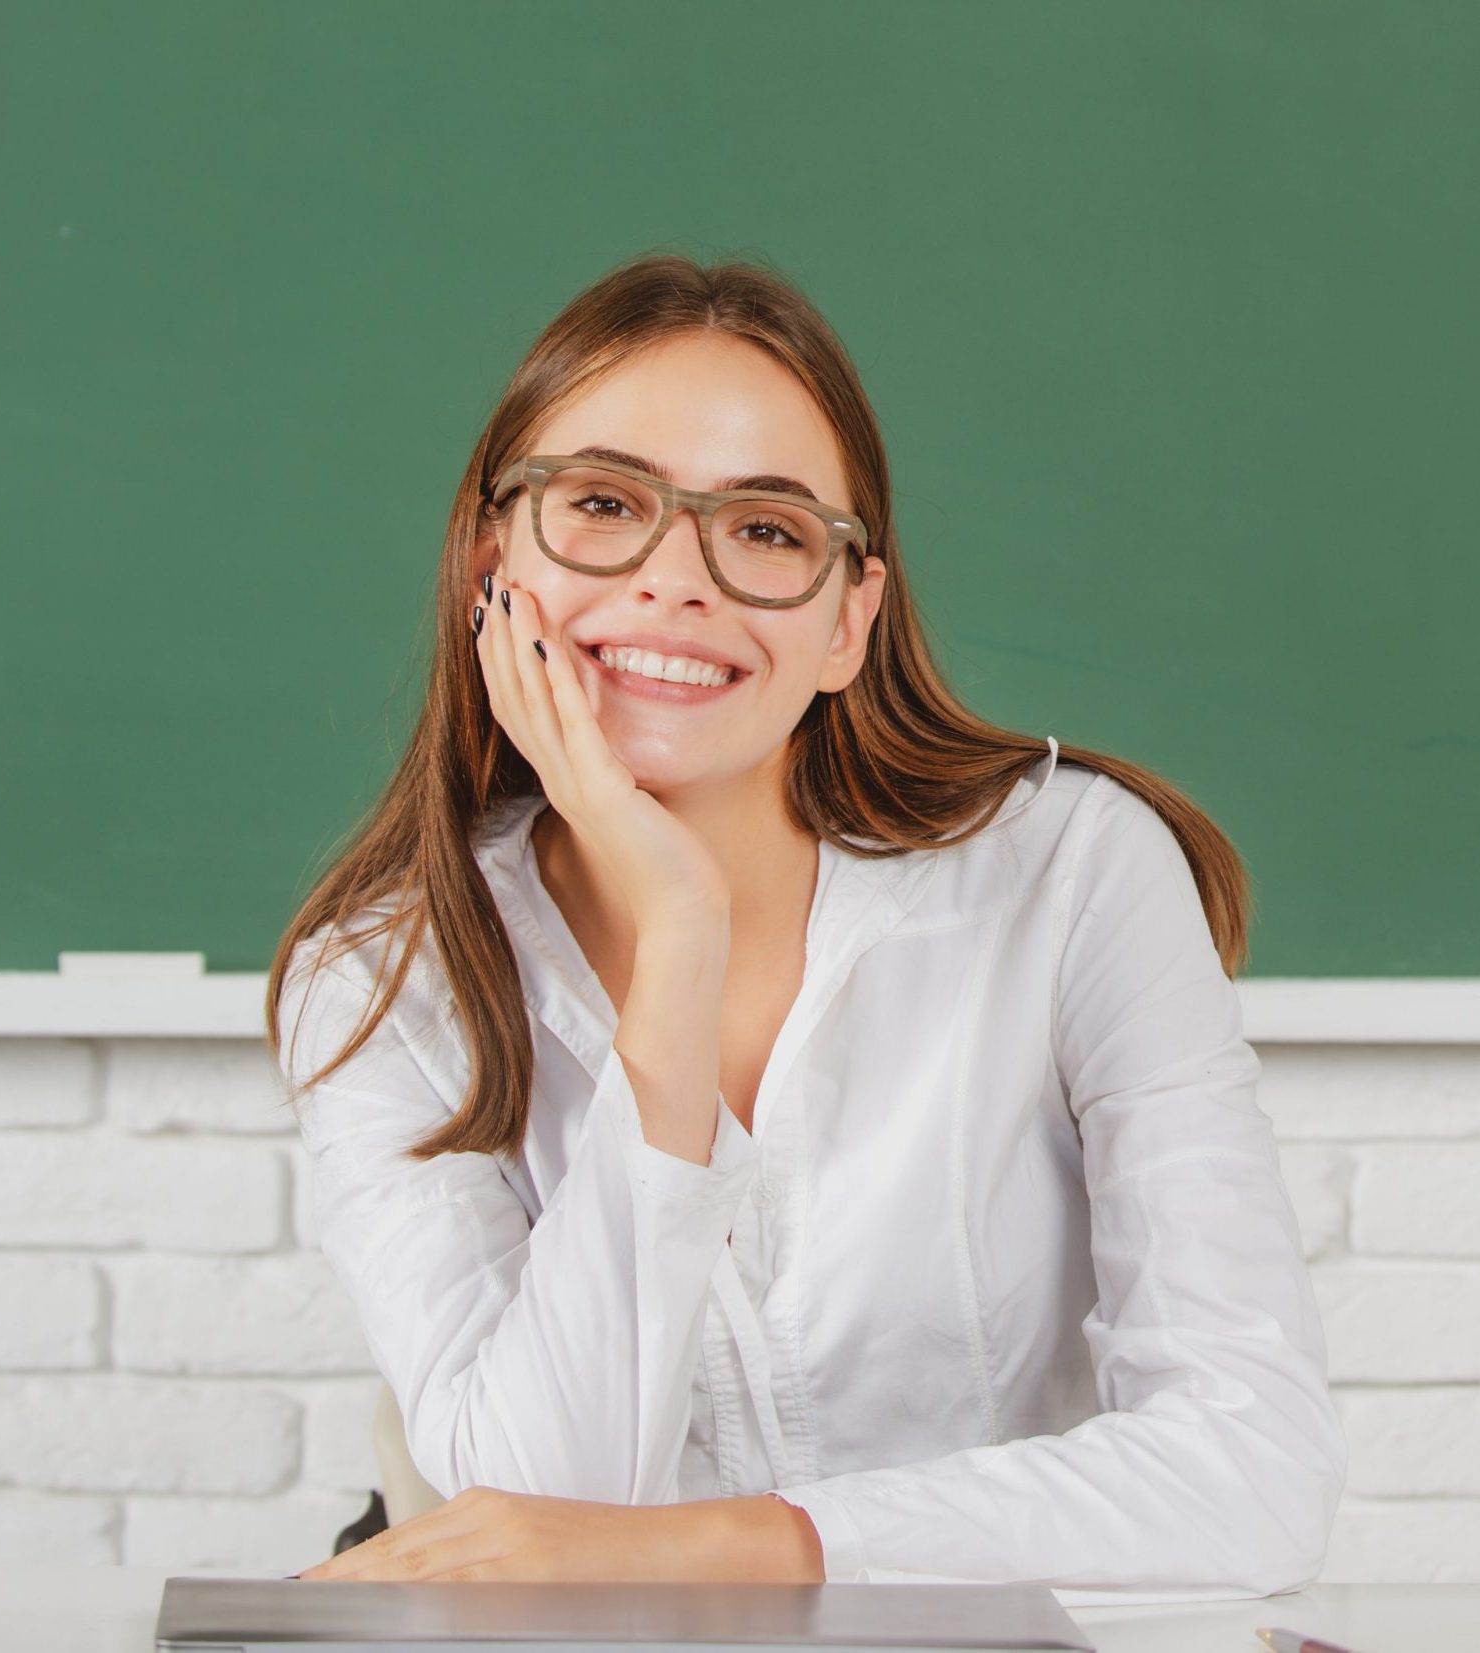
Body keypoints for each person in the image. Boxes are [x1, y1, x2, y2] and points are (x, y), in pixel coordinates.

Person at [266, 253, 1345, 1600]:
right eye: (601, 503)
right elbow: (540, 1511)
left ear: (849, 624)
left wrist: (731, 1545)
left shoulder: (1072, 874)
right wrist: (675, 942)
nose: (675, 581)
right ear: (492, 565)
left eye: (766, 530)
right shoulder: (376, 981)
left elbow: (1251, 1474)